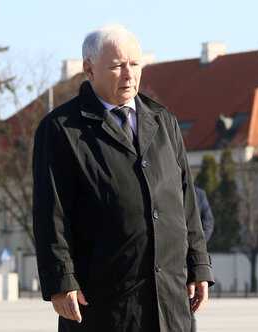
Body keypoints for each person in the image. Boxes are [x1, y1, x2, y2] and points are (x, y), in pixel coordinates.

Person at [32, 23, 213, 332]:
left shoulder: (164, 121)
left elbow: (186, 204)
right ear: (89, 70)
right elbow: (51, 215)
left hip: (168, 297)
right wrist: (60, 281)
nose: (129, 75)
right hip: (103, 300)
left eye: (135, 64)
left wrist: (198, 265)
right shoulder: (62, 129)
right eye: (117, 66)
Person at [190, 186, 214, 332]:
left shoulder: (198, 194)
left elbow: (208, 222)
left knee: (190, 306)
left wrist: (196, 243)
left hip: (191, 254)